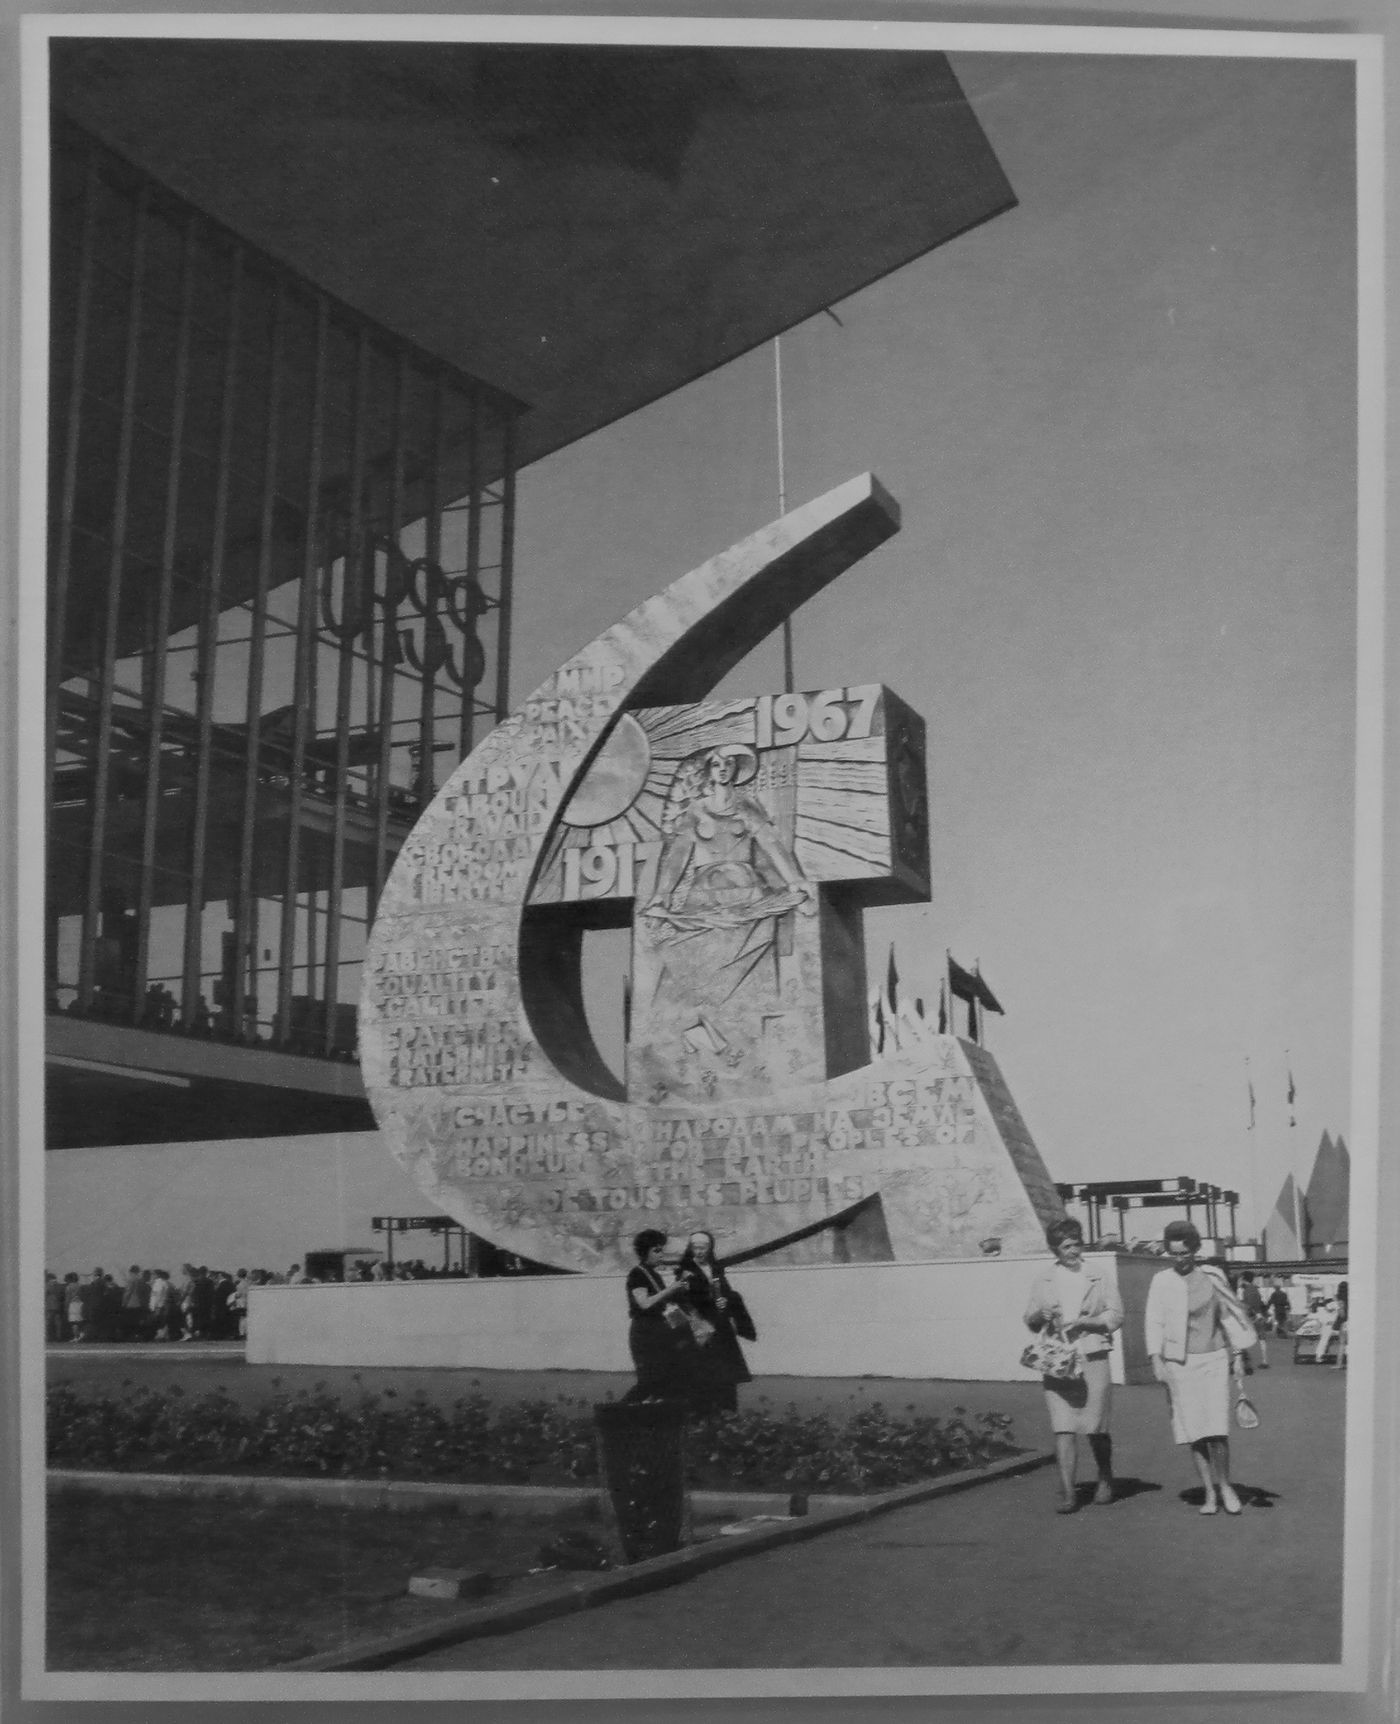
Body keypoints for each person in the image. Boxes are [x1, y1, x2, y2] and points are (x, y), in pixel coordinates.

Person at [1144, 1220, 1254, 1516]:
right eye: (1173, 1254)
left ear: (1194, 1249)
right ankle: (1208, 1491)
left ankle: (1226, 1486)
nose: (1179, 1259)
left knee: (1217, 1430)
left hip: (1215, 1359)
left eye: (1184, 1253)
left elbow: (1230, 1316)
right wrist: (1156, 1358)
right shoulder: (1161, 1281)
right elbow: (1153, 1320)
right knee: (1194, 1432)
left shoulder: (1213, 1275)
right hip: (1179, 1364)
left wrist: (1239, 1355)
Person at [1023, 1217, 1123, 1513]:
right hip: (1057, 1360)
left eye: (1076, 1244)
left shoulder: (1098, 1274)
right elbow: (1029, 1319)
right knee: (1063, 1426)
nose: (1073, 1250)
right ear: (1055, 1249)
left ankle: (1105, 1478)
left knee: (1096, 1426)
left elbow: (1116, 1316)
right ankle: (1069, 1492)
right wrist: (1040, 1314)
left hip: (1092, 1355)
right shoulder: (1044, 1279)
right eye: (1066, 1246)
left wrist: (1088, 1322)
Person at [672, 1229, 755, 1416]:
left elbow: (725, 1290)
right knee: (704, 1375)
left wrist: (725, 1299)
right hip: (701, 1329)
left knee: (726, 1375)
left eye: (704, 1247)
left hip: (721, 1326)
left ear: (709, 1249)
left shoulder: (715, 1268)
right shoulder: (685, 1272)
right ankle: (704, 1417)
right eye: (695, 1247)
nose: (699, 1251)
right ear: (690, 1248)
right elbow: (681, 1301)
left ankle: (728, 1415)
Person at [621, 1228, 692, 1403]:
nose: (661, 1254)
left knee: (663, 1380)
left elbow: (664, 1305)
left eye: (662, 1249)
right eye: (656, 1250)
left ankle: (652, 1419)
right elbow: (644, 1303)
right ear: (645, 1252)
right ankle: (617, 1414)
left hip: (658, 1331)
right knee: (648, 1382)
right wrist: (672, 1288)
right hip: (645, 1333)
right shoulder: (637, 1273)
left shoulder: (653, 1274)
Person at [1237, 1273, 1269, 1369]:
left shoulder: (1247, 1290)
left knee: (1241, 1338)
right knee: (1262, 1340)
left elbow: (1249, 1306)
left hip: (1252, 1318)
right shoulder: (1255, 1289)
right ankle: (1264, 1361)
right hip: (1259, 1316)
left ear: (1243, 1279)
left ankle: (1245, 1362)